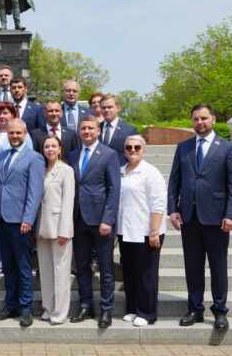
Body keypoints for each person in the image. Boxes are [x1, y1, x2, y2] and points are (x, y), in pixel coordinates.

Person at [168, 104, 232, 330]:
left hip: (217, 218)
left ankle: (220, 311)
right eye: (196, 119)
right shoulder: (183, 147)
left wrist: (231, 215)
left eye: (204, 118)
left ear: (213, 119)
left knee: (218, 267)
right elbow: (174, 181)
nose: (199, 122)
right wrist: (173, 209)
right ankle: (195, 308)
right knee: (192, 266)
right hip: (189, 218)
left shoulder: (228, 148)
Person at [66, 115, 120, 328]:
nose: (87, 132)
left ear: (98, 131)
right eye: (83, 129)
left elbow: (114, 189)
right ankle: (86, 305)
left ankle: (106, 309)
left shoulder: (109, 154)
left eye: (90, 128)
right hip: (78, 219)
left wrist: (108, 218)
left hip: (101, 221)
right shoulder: (73, 155)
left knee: (105, 268)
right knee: (81, 266)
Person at [0, 118, 44, 327]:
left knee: (23, 266)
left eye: (18, 133)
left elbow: (35, 191)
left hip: (21, 221)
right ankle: (10, 304)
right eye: (11, 133)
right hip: (2, 219)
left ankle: (26, 308)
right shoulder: (2, 156)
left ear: (25, 133)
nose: (14, 136)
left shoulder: (35, 158)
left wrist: (28, 218)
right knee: (9, 266)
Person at [118, 135, 167, 326]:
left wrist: (154, 231)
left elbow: (158, 204)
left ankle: (147, 313)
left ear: (144, 150)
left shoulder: (151, 173)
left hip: (146, 231)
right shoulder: (121, 171)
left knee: (146, 274)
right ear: (124, 150)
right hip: (125, 230)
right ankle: (133, 308)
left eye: (137, 147)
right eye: (129, 147)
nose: (132, 150)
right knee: (130, 272)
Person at [0, 101, 33, 274]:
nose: (2, 116)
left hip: (14, 186)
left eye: (6, 113)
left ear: (13, 115)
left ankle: (10, 265)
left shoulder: (23, 135)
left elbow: (27, 160)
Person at [36, 135, 75, 326]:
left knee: (61, 272)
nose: (50, 149)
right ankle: (48, 307)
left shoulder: (66, 170)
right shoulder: (41, 170)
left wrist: (64, 230)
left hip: (59, 227)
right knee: (46, 271)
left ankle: (59, 312)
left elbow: (68, 201)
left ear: (60, 149)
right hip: (42, 228)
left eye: (53, 146)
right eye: (46, 146)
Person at [99, 95, 139, 166]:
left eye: (110, 107)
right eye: (103, 108)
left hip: (121, 170)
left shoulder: (130, 130)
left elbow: (136, 155)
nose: (106, 110)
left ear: (118, 108)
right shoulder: (95, 128)